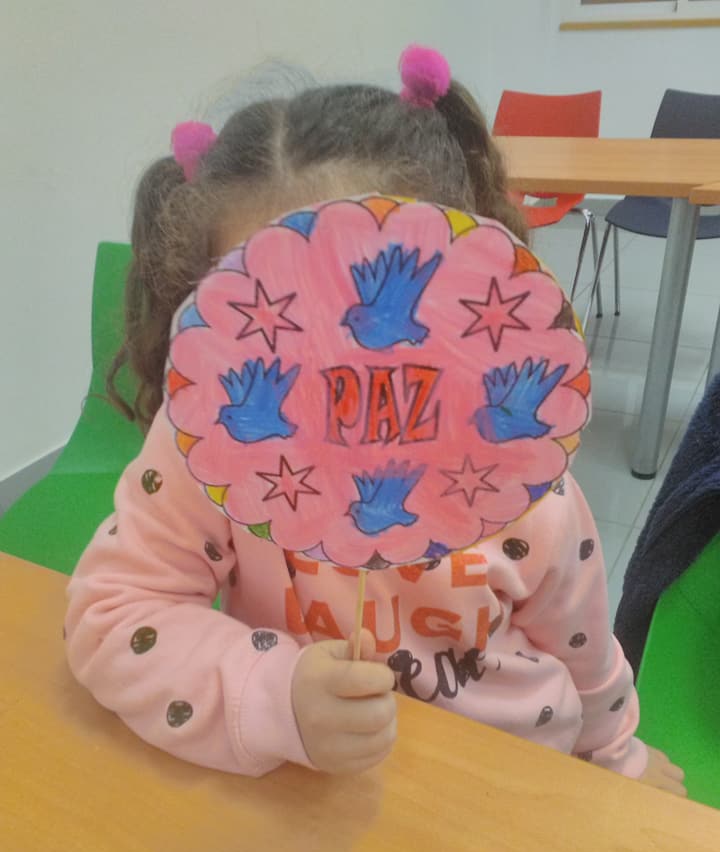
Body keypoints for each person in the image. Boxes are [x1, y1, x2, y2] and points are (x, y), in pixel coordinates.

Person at [65, 45, 685, 794]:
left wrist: (619, 757)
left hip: (510, 774)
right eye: (279, 321)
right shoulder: (208, 446)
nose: (339, 373)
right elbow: (113, 614)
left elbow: (584, 648)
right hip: (315, 791)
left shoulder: (515, 460)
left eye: (370, 305)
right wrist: (276, 695)